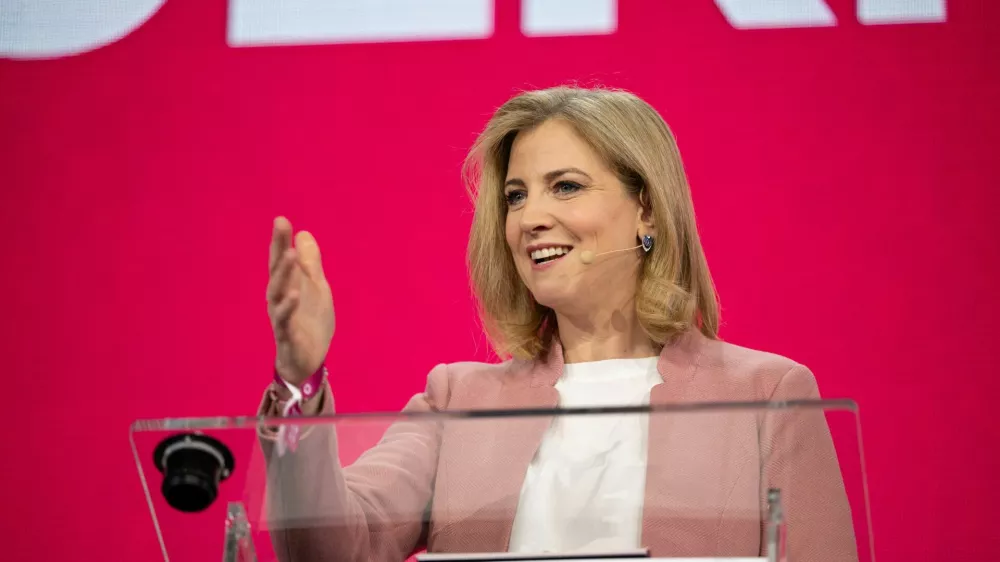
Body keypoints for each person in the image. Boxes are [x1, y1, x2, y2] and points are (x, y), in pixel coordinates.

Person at [258, 86, 858, 561]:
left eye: (565, 187)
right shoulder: (458, 400)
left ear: (646, 207)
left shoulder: (767, 396)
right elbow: (331, 547)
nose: (530, 219)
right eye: (516, 197)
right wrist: (298, 382)